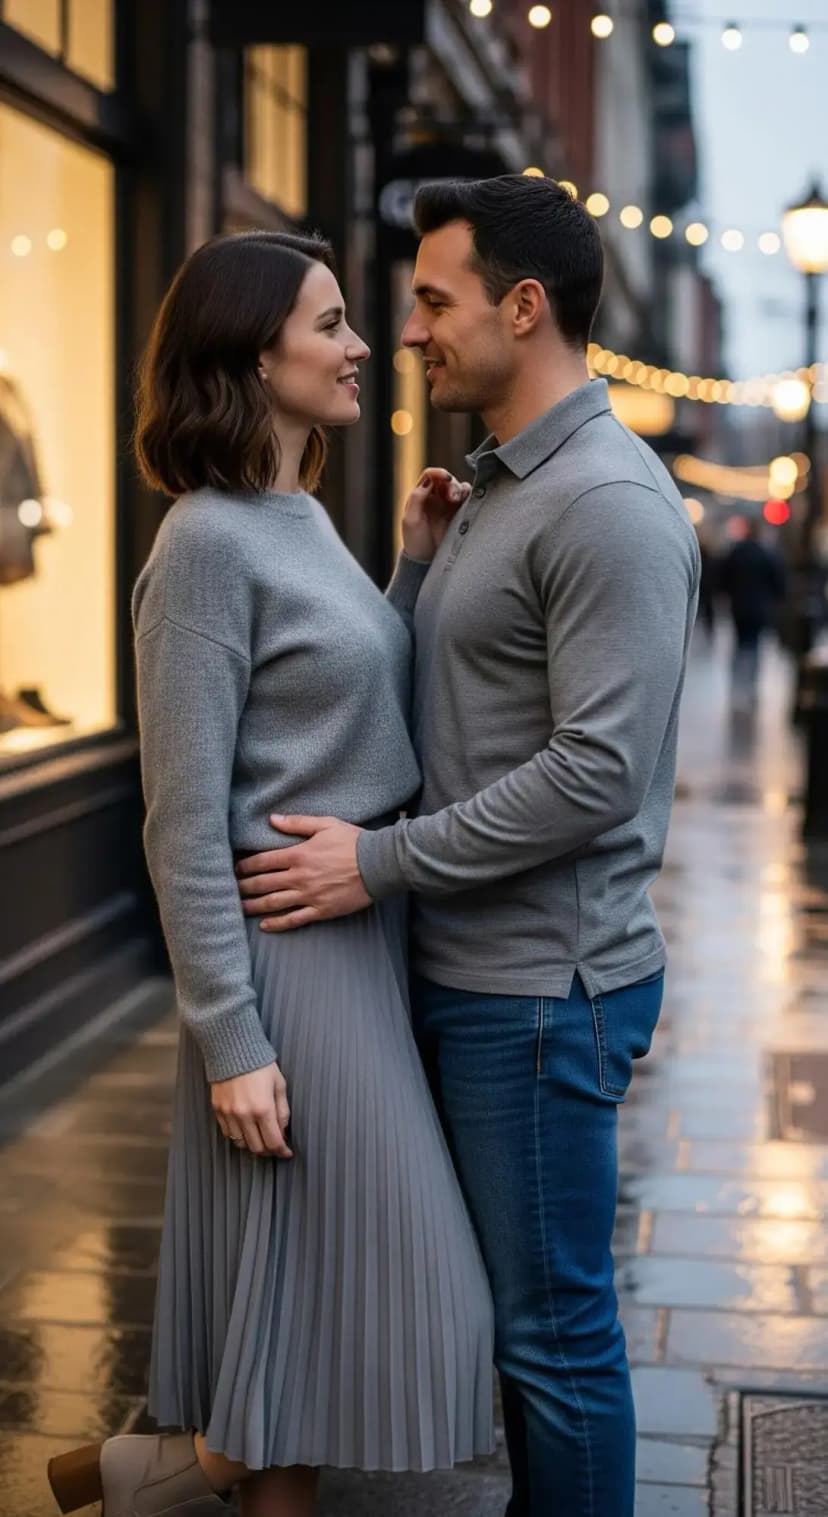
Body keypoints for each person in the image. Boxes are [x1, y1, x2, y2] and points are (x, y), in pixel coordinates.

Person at [236, 176, 701, 1517]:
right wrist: (421, 566)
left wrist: (373, 866)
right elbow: (461, 709)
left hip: (541, 993)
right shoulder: (497, 489)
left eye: (435, 300)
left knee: (554, 1342)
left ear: (524, 305)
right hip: (466, 975)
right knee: (502, 1335)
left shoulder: (609, 501)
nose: (411, 330)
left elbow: (598, 774)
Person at [46, 231, 494, 1517]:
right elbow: (180, 820)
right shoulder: (200, 548)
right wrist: (231, 1036)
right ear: (256, 353)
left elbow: (356, 721)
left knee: (293, 1339)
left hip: (357, 942)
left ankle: (147, 1476)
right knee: (421, 1292)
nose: (365, 345)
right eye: (334, 321)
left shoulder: (296, 518)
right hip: (285, 970)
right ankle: (155, 1475)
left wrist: (407, 567)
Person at [719, 517, 785, 700]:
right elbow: (778, 582)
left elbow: (722, 578)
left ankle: (737, 683)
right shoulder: (766, 554)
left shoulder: (736, 552)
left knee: (739, 644)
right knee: (754, 645)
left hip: (738, 606)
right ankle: (750, 684)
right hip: (759, 608)